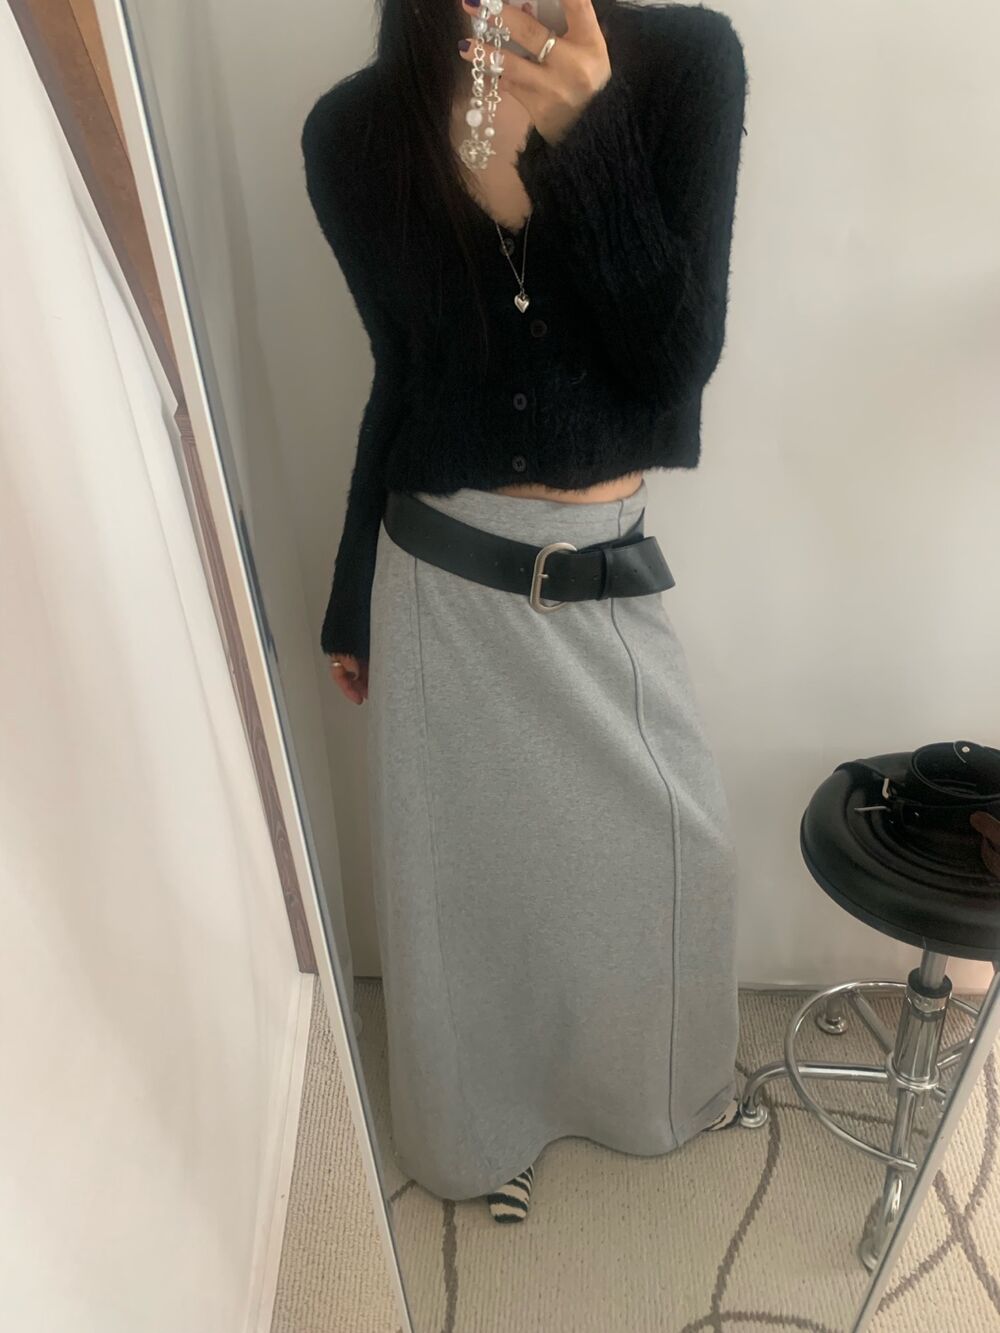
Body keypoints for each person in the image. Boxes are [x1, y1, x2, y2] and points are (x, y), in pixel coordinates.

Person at [301, 0, 749, 1221]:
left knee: (681, 853)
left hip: (600, 567)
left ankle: (649, 1093)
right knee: (465, 902)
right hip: (436, 581)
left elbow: (673, 363)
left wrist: (590, 142)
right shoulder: (355, 131)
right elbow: (399, 372)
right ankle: (475, 1130)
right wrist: (351, 593)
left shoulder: (683, 65)